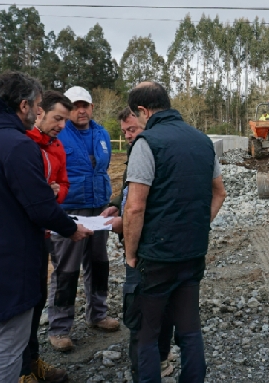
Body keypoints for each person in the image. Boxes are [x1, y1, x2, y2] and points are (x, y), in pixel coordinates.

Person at [0, 72, 91, 383]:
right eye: (36, 106)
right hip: (12, 257)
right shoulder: (17, 145)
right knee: (9, 343)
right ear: (23, 106)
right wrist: (71, 228)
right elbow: (40, 206)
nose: (38, 113)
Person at [123, 81, 227, 382]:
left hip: (156, 257)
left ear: (143, 111)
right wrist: (197, 227)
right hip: (193, 252)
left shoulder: (148, 143)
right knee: (190, 329)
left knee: (147, 334)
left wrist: (131, 255)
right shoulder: (202, 141)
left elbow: (134, 208)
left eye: (137, 117)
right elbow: (219, 193)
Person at [101, 107, 175, 381]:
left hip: (146, 246)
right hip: (139, 238)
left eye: (133, 130)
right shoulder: (136, 150)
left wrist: (126, 230)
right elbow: (127, 190)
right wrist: (113, 206)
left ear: (147, 120)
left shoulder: (153, 148)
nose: (129, 136)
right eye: (124, 132)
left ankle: (146, 366)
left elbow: (141, 206)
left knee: (141, 310)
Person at [47, 86, 118, 352]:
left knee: (99, 264)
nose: (81, 110)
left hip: (99, 210)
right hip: (68, 211)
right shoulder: (59, 134)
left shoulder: (101, 134)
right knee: (66, 270)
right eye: (75, 106)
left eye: (85, 105)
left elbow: (104, 167)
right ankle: (59, 328)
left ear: (91, 106)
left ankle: (97, 314)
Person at [20, 91, 74, 382]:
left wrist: (55, 192)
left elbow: (63, 184)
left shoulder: (56, 147)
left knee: (38, 297)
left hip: (41, 231)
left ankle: (31, 360)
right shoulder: (21, 142)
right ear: (39, 112)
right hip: (18, 233)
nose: (62, 126)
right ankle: (19, 371)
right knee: (20, 303)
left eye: (64, 121)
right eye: (58, 118)